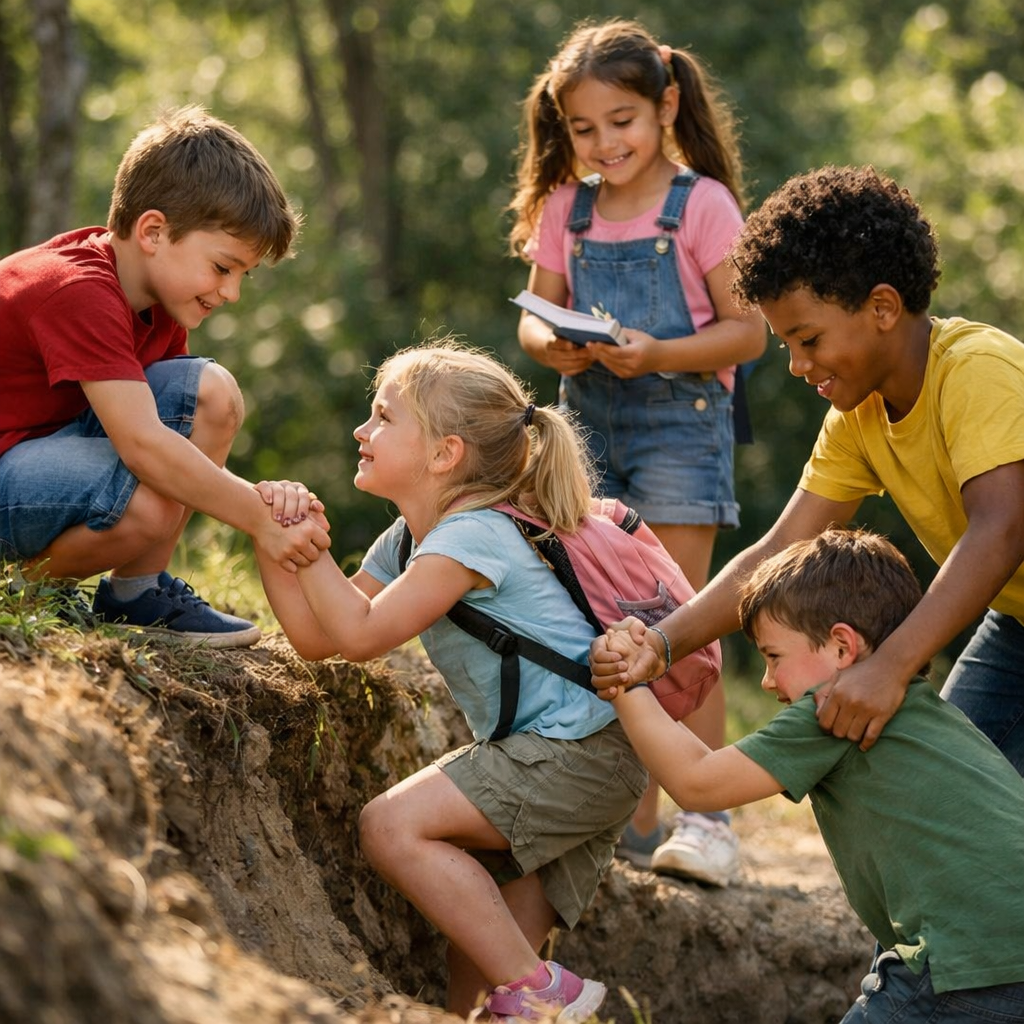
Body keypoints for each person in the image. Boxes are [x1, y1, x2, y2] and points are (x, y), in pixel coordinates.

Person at [252, 341, 645, 1022]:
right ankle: (533, 992)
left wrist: (307, 547)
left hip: (580, 755)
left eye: (383, 418)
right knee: (485, 998)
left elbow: (362, 634)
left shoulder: (475, 536)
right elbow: (319, 640)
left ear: (444, 455)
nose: (361, 432)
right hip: (574, 754)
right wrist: (273, 541)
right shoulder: (409, 537)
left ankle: (552, 992)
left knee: (391, 826)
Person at [592, 164, 1024, 778]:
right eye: (785, 345)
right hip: (1019, 624)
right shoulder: (859, 414)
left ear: (882, 307)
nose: (798, 365)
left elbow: (1001, 528)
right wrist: (660, 644)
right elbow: (776, 551)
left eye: (809, 339)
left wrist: (891, 664)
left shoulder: (977, 370)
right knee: (945, 782)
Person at [508, 16, 766, 884]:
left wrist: (654, 353)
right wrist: (558, 348)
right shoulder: (564, 208)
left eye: (620, 121)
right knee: (601, 618)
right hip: (585, 428)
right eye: (583, 128)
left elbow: (749, 332)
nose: (603, 142)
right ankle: (634, 820)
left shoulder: (701, 205)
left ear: (665, 106)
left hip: (680, 428)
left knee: (678, 622)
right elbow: (533, 318)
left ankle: (710, 817)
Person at [600, 527, 1024, 1022]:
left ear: (842, 647)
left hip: (970, 956)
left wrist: (625, 683)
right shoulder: (926, 710)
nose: (766, 681)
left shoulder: (836, 711)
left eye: (773, 657)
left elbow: (697, 783)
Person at [0, 105, 329, 646]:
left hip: (45, 454)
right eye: (223, 268)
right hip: (10, 464)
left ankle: (136, 592)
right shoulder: (78, 289)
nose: (231, 293)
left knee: (211, 394)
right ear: (153, 231)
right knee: (146, 505)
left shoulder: (155, 302)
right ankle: (26, 589)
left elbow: (174, 431)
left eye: (241, 276)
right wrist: (259, 515)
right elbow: (144, 447)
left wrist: (266, 500)